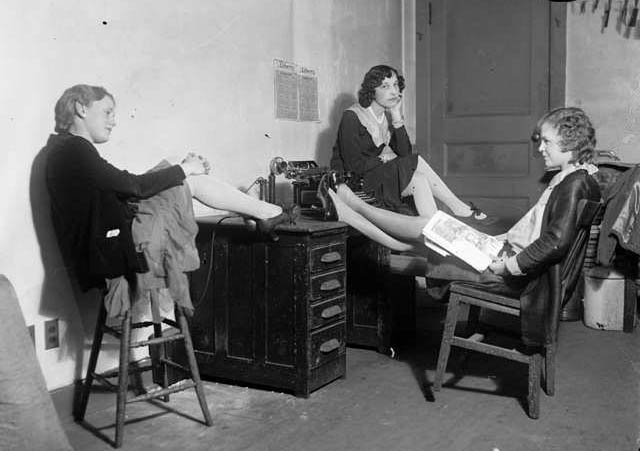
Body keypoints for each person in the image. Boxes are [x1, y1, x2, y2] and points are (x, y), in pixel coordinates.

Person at [324, 107, 602, 346]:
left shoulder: (574, 184)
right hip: (510, 258)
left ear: (570, 142)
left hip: (515, 276)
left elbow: (555, 241)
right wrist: (497, 241)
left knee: (428, 228)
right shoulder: (579, 178)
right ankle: (352, 213)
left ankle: (355, 207)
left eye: (547, 142)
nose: (540, 148)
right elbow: (541, 232)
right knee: (427, 235)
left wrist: (508, 265)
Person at [45, 84, 297, 314]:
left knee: (179, 173)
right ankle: (264, 212)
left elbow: (122, 189)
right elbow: (133, 186)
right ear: (81, 108)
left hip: (107, 245)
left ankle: (256, 211)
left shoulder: (63, 148)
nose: (114, 121)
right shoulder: (75, 149)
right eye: (107, 112)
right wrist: (184, 169)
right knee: (187, 179)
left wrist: (181, 169)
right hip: (113, 252)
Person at [329, 64, 491, 224]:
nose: (393, 91)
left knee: (419, 179)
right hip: (354, 184)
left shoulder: (386, 117)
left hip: (376, 178)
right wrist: (384, 159)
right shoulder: (352, 116)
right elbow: (353, 166)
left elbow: (405, 155)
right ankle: (457, 206)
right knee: (415, 161)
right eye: (385, 86)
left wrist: (396, 115)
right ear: (372, 91)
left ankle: (440, 231)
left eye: (395, 85)